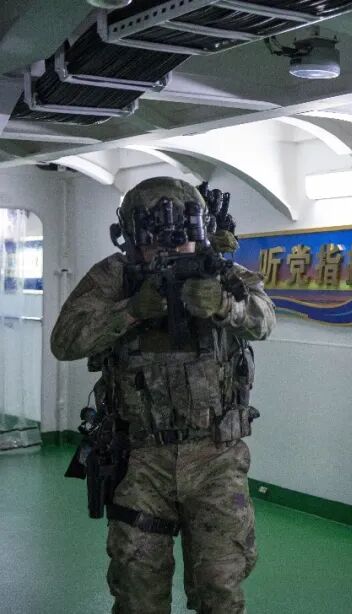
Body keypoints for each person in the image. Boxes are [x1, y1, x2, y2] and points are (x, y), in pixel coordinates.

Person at [51, 177, 275, 614]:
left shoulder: (221, 271)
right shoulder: (115, 277)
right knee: (138, 590)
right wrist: (131, 311)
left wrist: (225, 305)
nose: (166, 250)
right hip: (139, 460)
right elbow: (65, 340)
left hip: (215, 457)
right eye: (151, 240)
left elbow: (264, 319)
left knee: (221, 587)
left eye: (180, 237)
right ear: (131, 239)